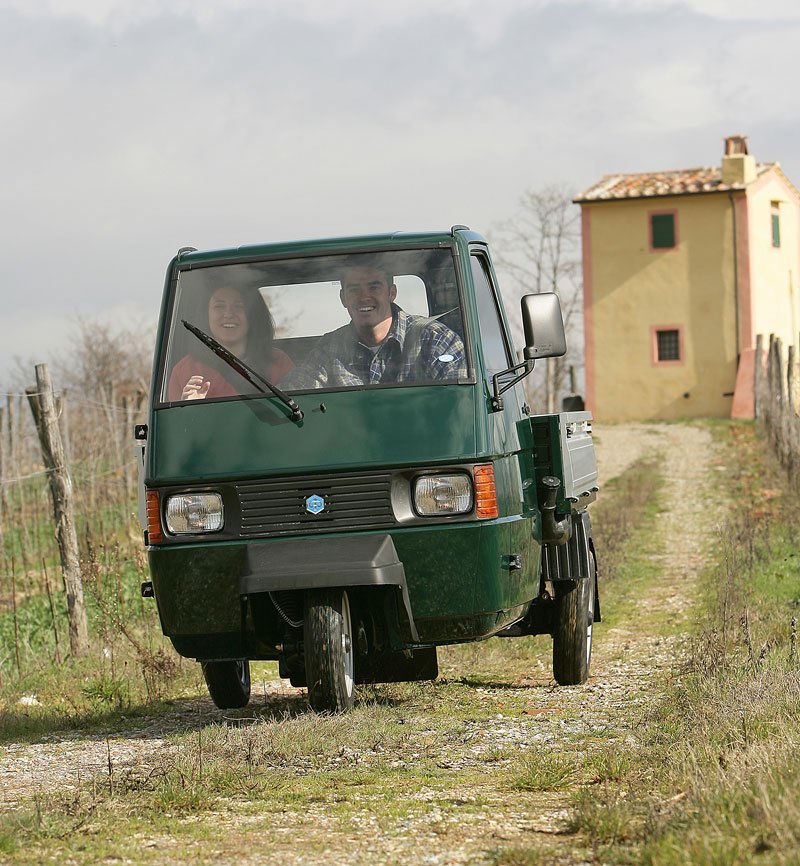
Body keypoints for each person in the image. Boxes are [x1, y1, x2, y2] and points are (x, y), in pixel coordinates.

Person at [281, 258, 466, 389]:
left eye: (374, 287)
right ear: (343, 298)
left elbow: (460, 408)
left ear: (392, 293)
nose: (364, 297)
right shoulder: (330, 348)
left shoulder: (436, 340)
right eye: (354, 289)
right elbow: (296, 392)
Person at [168, 286, 293, 401]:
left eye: (239, 306)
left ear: (253, 314)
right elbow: (176, 423)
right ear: (206, 315)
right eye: (219, 306)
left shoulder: (278, 361)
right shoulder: (184, 371)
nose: (228, 314)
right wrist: (189, 410)